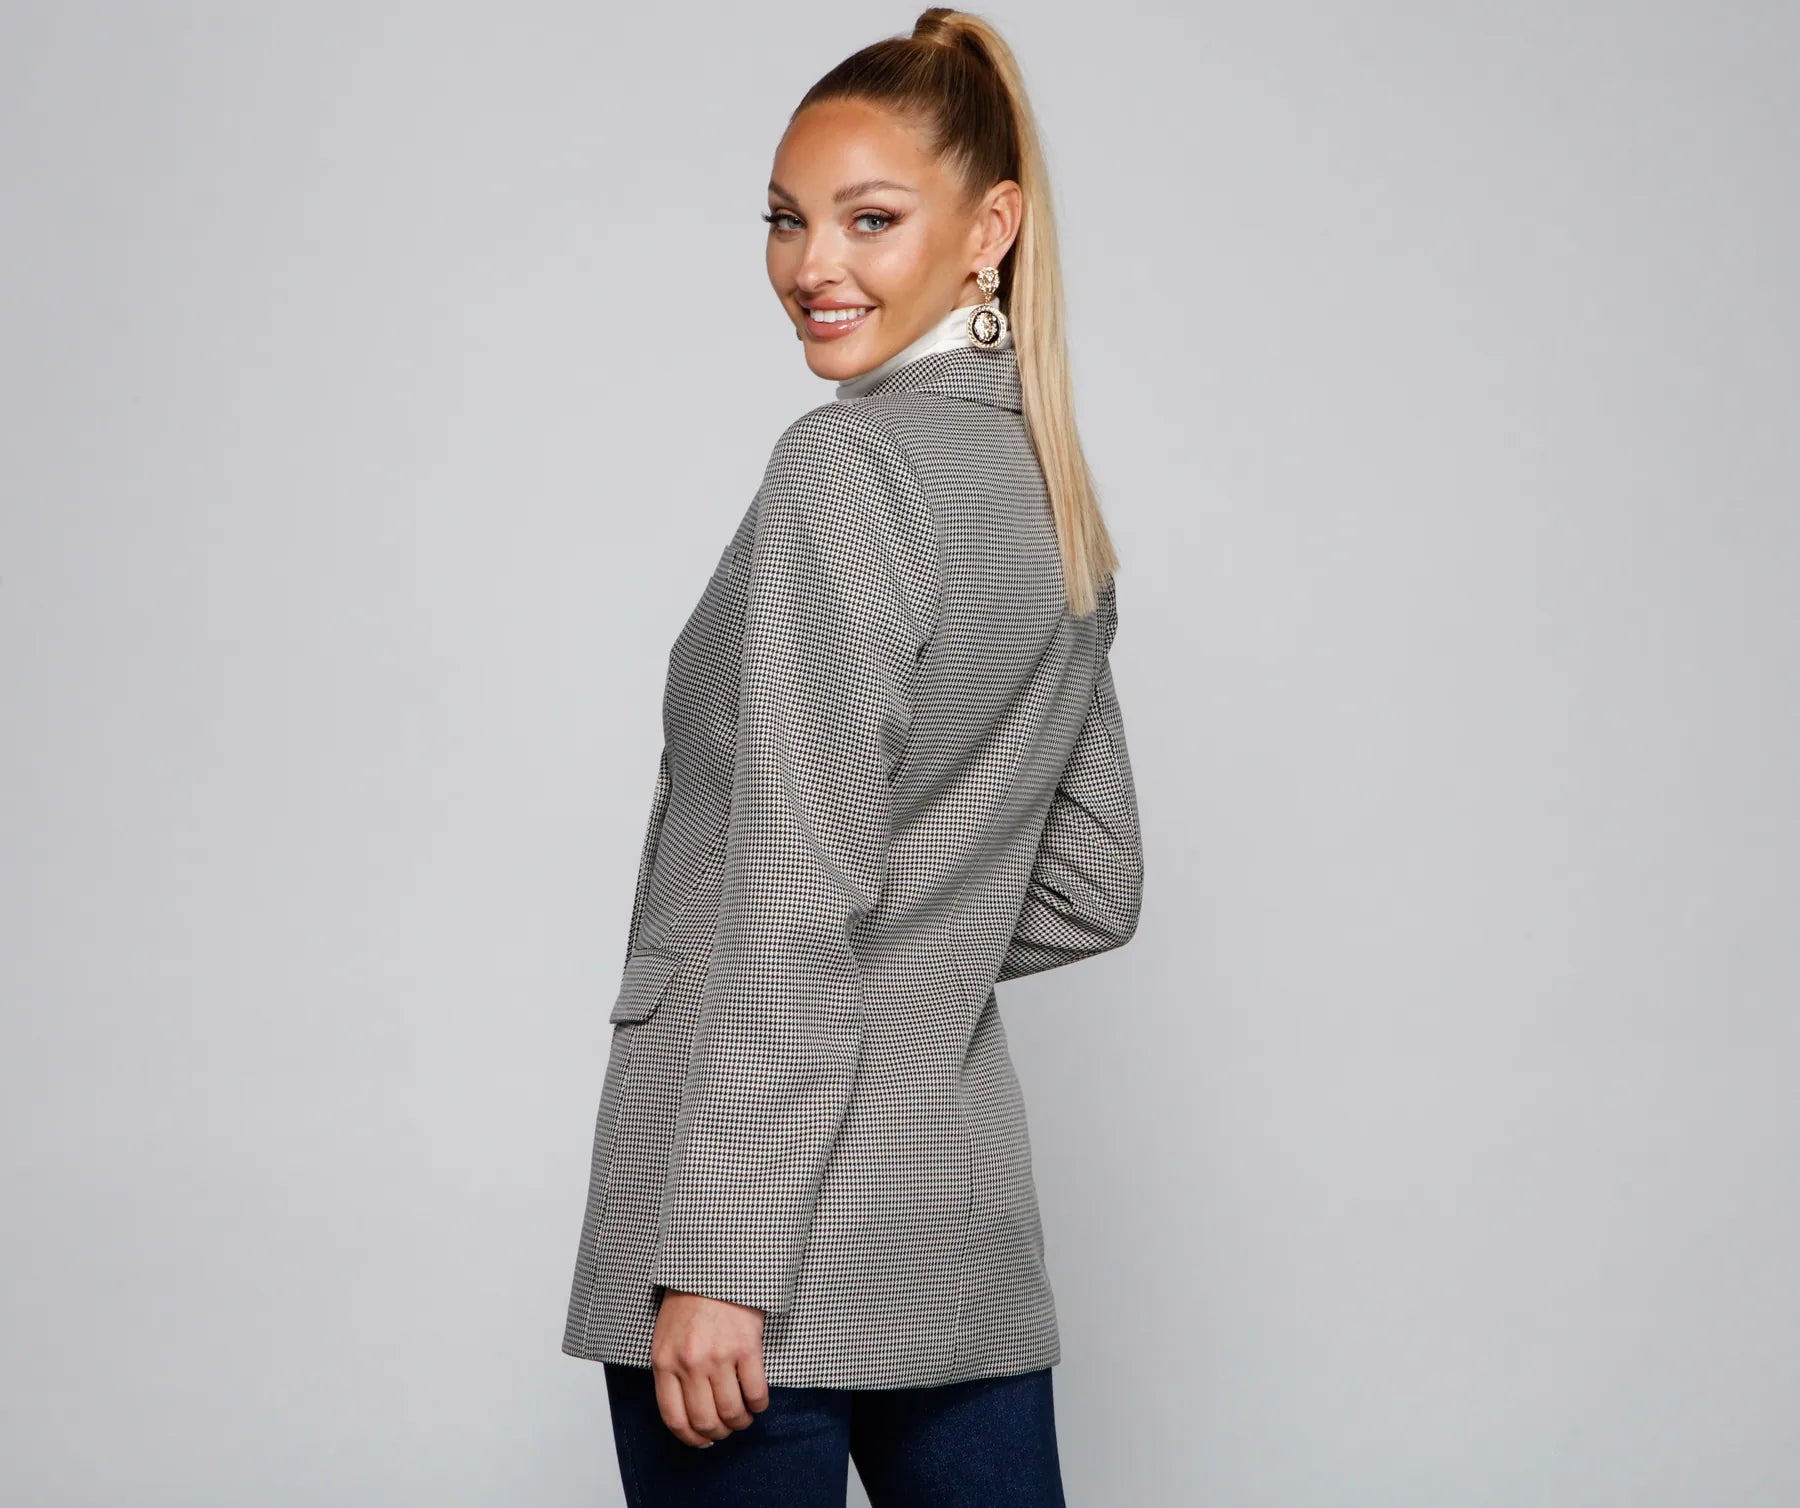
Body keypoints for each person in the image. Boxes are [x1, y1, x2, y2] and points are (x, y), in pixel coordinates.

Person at [560, 8, 1144, 1503]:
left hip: (757, 1249)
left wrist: (720, 1257)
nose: (812, 264)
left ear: (989, 231)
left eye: (869, 219)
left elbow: (794, 896)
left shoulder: (849, 464)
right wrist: (917, 963)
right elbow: (1090, 885)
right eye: (785, 219)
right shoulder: (1050, 488)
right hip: (957, 1232)